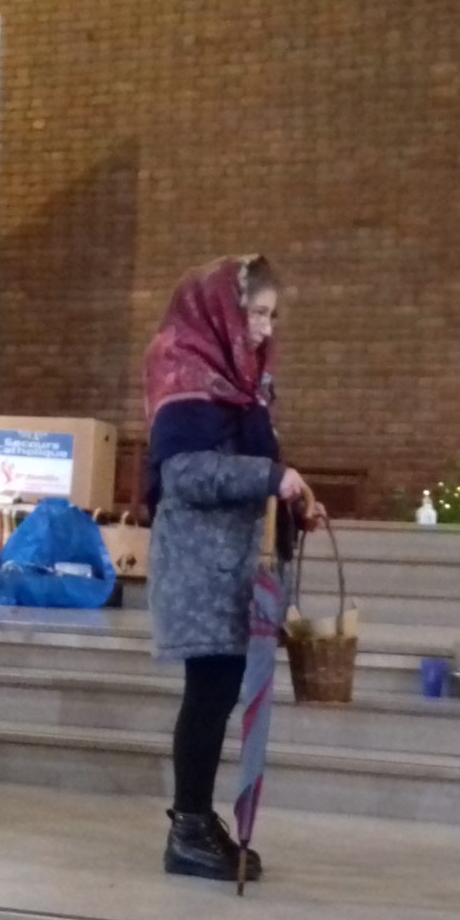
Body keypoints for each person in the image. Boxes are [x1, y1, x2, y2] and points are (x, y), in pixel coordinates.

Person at [144, 254, 317, 882]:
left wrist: (293, 496)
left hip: (234, 564)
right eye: (257, 314)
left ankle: (196, 820)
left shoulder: (243, 381)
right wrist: (271, 476)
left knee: (216, 695)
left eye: (274, 316)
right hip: (201, 564)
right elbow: (182, 473)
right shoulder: (185, 371)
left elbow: (254, 468)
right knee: (208, 695)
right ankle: (187, 828)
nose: (267, 330)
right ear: (222, 311)